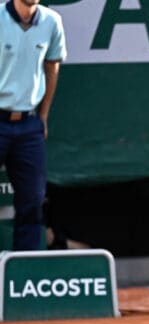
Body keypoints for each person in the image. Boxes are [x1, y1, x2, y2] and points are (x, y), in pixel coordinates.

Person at [0, 0, 66, 251]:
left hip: (29, 126)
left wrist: (43, 115)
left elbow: (52, 66)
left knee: (32, 201)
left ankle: (23, 268)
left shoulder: (52, 22)